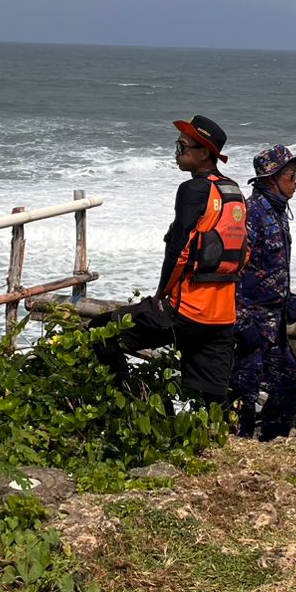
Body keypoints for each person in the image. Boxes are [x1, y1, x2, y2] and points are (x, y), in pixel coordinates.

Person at [90, 115, 246, 408]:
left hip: (187, 309)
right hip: (222, 315)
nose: (177, 152)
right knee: (212, 396)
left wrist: (163, 295)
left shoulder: (193, 190)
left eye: (183, 146)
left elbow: (180, 251)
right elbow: (243, 252)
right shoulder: (234, 191)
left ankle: (132, 406)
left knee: (101, 332)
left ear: (204, 154)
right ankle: (218, 444)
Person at [231, 144, 296, 440]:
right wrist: (242, 322)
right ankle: (236, 447)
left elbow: (272, 267)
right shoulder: (251, 213)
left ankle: (270, 443)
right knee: (244, 390)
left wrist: (290, 300)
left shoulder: (277, 212)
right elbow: (235, 270)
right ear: (271, 178)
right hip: (251, 322)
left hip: (273, 321)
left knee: (289, 382)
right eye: (291, 175)